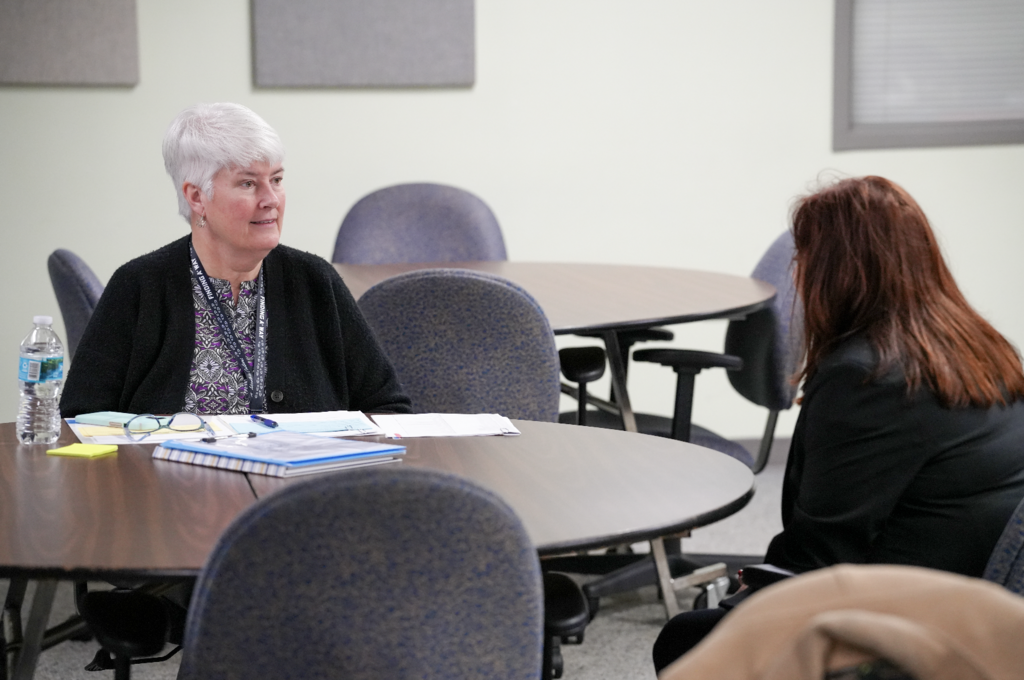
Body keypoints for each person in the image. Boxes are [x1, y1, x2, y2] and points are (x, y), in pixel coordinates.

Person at [653, 175, 1024, 674]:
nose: (798, 277)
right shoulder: (979, 346)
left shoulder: (866, 376)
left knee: (683, 639)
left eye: (803, 260)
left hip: (904, 615)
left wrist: (752, 594)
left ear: (835, 273)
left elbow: (821, 552)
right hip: (984, 600)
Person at [61, 102, 411, 418]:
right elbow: (79, 418)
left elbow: (389, 408)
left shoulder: (315, 281)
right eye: (248, 184)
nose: (271, 198)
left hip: (298, 485)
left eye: (276, 179)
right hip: (173, 485)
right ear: (197, 197)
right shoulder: (139, 286)